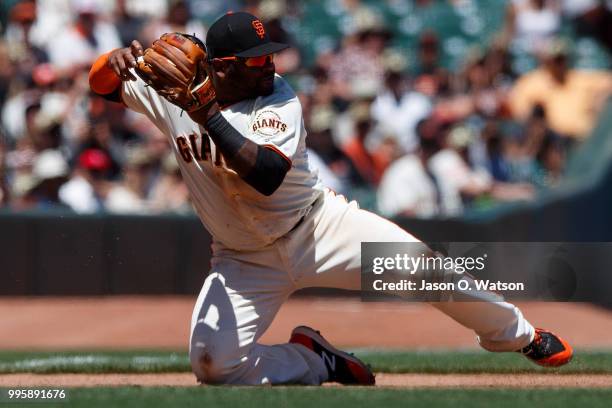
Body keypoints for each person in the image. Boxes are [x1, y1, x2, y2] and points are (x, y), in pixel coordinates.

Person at [89, 12, 573, 386]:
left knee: (427, 271)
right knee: (213, 366)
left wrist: (206, 112)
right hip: (243, 259)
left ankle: (520, 335)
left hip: (320, 230)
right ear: (219, 67)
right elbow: (101, 85)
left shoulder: (277, 95)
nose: (270, 63)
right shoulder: (172, 92)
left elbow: (266, 175)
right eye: (257, 58)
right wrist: (112, 61)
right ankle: (314, 359)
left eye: (271, 53)